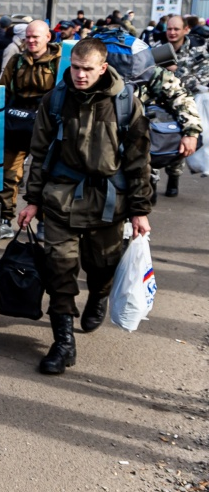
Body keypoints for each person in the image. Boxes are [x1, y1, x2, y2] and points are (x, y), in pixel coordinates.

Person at [19, 38, 151, 374]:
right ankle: (63, 343)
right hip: (61, 198)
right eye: (75, 67)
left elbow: (138, 160)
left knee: (102, 266)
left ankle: (98, 295)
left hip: (109, 203)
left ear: (103, 67)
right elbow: (39, 153)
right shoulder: (56, 100)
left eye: (87, 69)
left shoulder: (125, 104)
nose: (79, 75)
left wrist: (140, 210)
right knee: (59, 269)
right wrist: (32, 200)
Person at [0, 20, 61, 240]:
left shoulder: (59, 62)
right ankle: (5, 218)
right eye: (28, 37)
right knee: (9, 174)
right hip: (16, 123)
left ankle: (43, 220)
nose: (31, 41)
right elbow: (3, 91)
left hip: (46, 126)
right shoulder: (16, 61)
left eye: (36, 37)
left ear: (48, 37)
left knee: (44, 174)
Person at [153, 14, 208, 197]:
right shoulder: (158, 49)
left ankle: (174, 177)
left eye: (176, 29)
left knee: (178, 142)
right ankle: (151, 184)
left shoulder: (198, 50)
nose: (172, 32)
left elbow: (204, 76)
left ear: (186, 30)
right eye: (169, 29)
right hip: (158, 103)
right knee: (153, 141)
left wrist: (178, 74)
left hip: (184, 104)